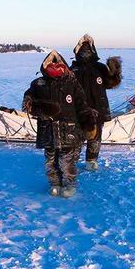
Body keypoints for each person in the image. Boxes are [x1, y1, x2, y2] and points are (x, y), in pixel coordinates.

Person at [22, 50, 98, 198]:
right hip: (48, 130)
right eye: (52, 64)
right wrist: (41, 108)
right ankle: (55, 184)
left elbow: (81, 105)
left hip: (69, 130)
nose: (55, 66)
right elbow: (28, 104)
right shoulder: (38, 84)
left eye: (58, 64)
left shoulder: (72, 83)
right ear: (45, 66)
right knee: (50, 162)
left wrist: (88, 122)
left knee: (67, 162)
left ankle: (70, 185)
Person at [70, 34, 122, 170]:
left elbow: (110, 83)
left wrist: (115, 72)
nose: (85, 51)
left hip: (98, 109)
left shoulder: (100, 67)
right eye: (83, 48)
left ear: (93, 50)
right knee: (76, 137)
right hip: (78, 110)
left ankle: (91, 160)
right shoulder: (72, 70)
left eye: (88, 48)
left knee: (95, 137)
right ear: (77, 50)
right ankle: (72, 160)